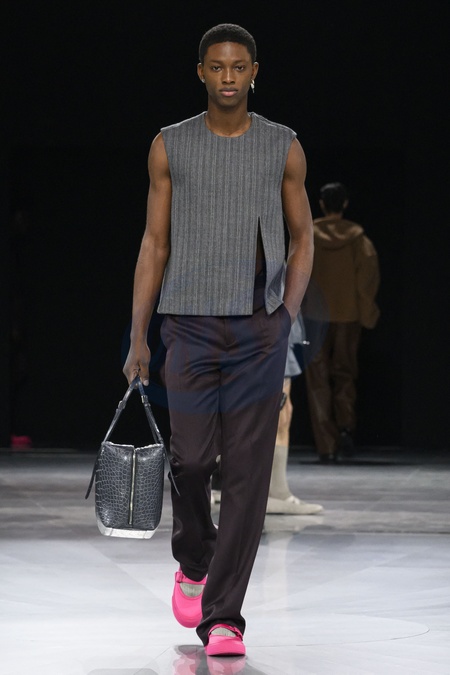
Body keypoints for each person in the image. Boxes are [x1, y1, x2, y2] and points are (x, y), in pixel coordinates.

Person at [123, 23, 313, 657]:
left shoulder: (282, 145)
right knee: (191, 461)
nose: (227, 77)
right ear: (200, 72)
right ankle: (194, 559)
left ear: (254, 72)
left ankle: (224, 617)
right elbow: (154, 243)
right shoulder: (169, 145)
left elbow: (303, 238)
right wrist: (139, 337)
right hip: (188, 325)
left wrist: (285, 316)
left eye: (238, 67)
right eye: (216, 66)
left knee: (248, 475)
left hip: (258, 329)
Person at [302, 182, 380, 463]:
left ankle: (327, 446)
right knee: (345, 373)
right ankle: (346, 427)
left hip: (315, 317)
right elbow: (367, 278)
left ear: (322, 204)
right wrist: (366, 311)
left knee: (317, 380)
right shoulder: (358, 240)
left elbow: (297, 272)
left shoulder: (307, 236)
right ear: (345, 204)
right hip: (348, 315)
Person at [266, 317, 323, 514]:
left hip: (275, 320)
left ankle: (277, 490)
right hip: (264, 321)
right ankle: (274, 493)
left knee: (283, 411)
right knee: (276, 413)